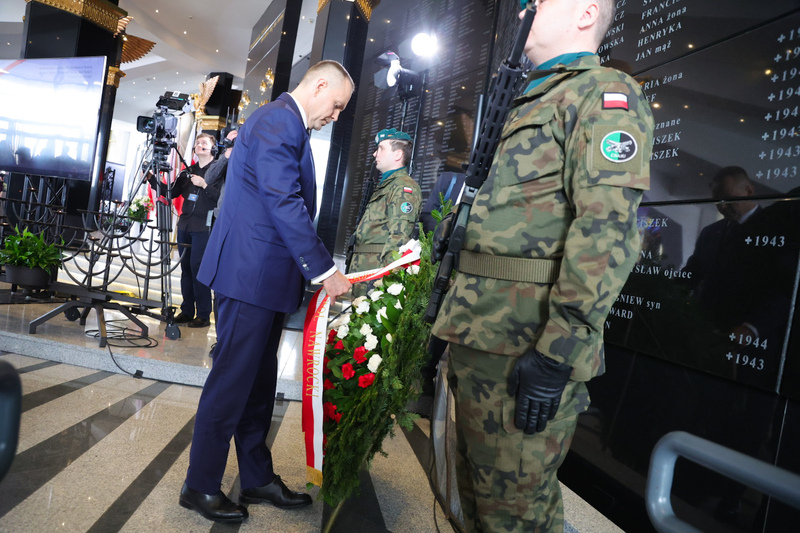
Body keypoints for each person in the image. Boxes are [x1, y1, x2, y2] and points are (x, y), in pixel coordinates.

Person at [430, 1, 654, 531]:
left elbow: (606, 233)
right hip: (483, 334)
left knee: (516, 514)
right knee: (478, 501)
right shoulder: (537, 94)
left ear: (585, 13)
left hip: (524, 344)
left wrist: (559, 353)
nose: (528, 7)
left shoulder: (603, 95)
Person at [178, 60, 353, 523]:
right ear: (319, 86)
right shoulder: (279, 121)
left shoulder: (284, 123)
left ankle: (256, 477)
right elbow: (284, 202)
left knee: (258, 385)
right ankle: (199, 486)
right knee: (232, 382)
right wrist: (323, 270)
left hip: (263, 279)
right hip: (248, 277)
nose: (335, 115)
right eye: (336, 105)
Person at [147, 133, 219, 328]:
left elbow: (222, 197)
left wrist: (204, 184)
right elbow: (171, 192)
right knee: (185, 268)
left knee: (198, 268)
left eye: (204, 143)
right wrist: (152, 179)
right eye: (197, 143)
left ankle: (203, 314)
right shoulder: (188, 171)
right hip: (185, 224)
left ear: (213, 148)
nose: (199, 145)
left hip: (204, 225)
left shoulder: (219, 170)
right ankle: (187, 310)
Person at [348, 128, 421, 278]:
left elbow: (399, 236)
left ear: (398, 154)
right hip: (364, 267)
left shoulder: (403, 187)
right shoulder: (388, 185)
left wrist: (385, 277)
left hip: (376, 272)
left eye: (381, 148)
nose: (375, 154)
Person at [203, 128, 238, 220]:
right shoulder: (228, 154)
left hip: (244, 218)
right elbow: (209, 178)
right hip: (222, 215)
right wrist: (228, 151)